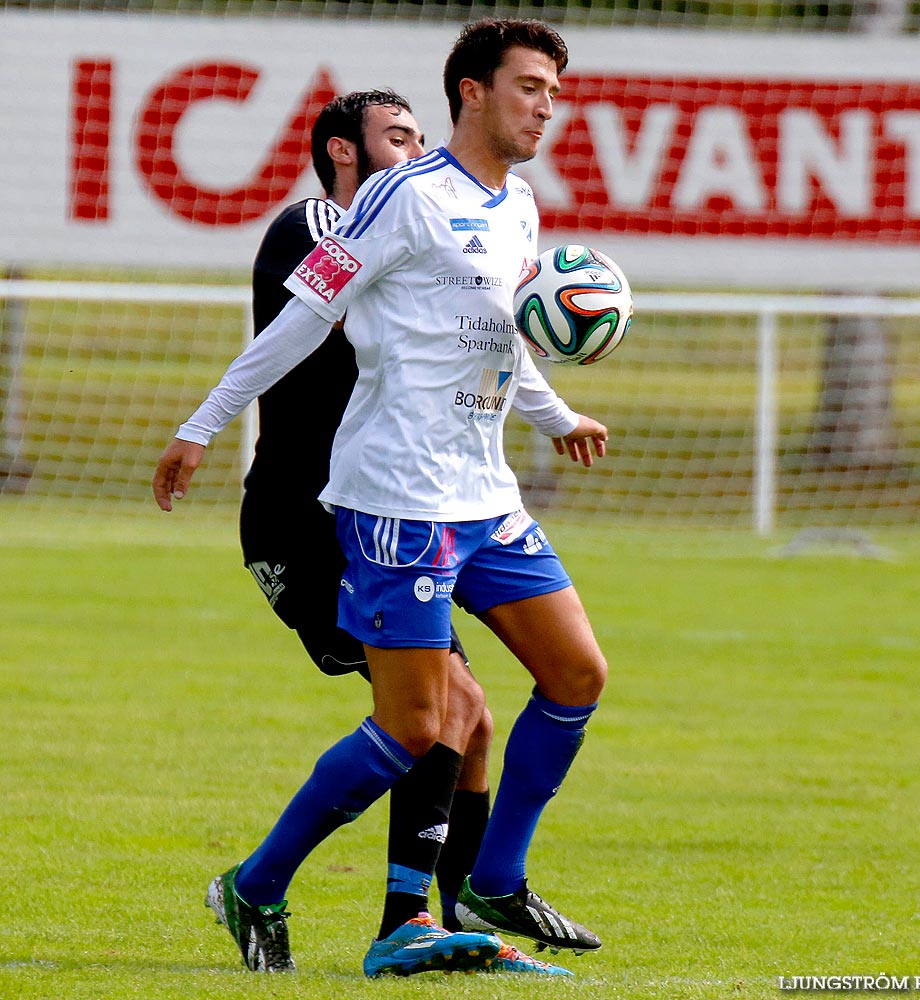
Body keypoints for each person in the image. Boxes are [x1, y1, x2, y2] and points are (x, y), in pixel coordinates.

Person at [154, 17, 606, 978]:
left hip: (486, 497)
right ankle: (257, 882)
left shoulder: (520, 205)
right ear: (473, 93)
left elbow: (500, 337)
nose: (546, 107)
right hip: (399, 500)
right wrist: (202, 423)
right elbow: (299, 319)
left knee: (576, 675)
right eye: (530, 86)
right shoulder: (401, 198)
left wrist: (557, 413)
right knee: (418, 723)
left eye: (555, 93)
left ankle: (491, 881)